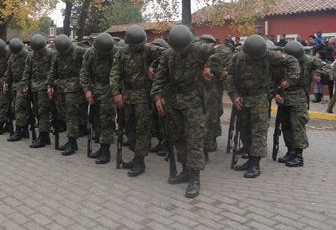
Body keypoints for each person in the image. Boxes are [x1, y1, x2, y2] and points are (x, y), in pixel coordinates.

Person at [151, 25, 231, 198]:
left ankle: (195, 178)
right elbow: (160, 79)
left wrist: (210, 65)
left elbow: (225, 51)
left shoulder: (198, 48)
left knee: (194, 140)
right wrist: (157, 97)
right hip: (175, 104)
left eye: (183, 49)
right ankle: (185, 171)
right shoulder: (168, 55)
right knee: (179, 139)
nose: (180, 53)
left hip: (195, 103)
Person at [226, 34, 300, 178]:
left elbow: (292, 61)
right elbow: (230, 77)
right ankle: (249, 156)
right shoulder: (237, 57)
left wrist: (289, 80)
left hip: (260, 98)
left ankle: (255, 163)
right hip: (242, 98)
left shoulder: (268, 55)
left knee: (258, 131)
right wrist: (234, 96)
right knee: (244, 129)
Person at [110, 25, 161, 177]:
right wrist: (116, 93)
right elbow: (115, 73)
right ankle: (135, 156)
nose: (137, 47)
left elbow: (167, 55)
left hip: (144, 97)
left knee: (142, 129)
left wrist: (153, 66)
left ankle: (140, 161)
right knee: (129, 128)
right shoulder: (122, 52)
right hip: (127, 96)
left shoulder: (149, 49)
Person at [275, 41, 331, 167]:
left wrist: (317, 73)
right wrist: (275, 93)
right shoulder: (282, 60)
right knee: (285, 125)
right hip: (284, 96)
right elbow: (273, 76)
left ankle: (298, 155)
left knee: (297, 125)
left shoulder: (309, 60)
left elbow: (327, 67)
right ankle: (290, 151)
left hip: (299, 97)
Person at [80, 32, 116, 164]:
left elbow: (117, 73)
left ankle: (105, 150)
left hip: (109, 89)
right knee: (96, 120)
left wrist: (115, 91)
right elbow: (84, 73)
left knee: (106, 120)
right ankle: (101, 148)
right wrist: (87, 90)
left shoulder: (114, 52)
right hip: (94, 89)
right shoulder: (90, 53)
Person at [47, 34, 86, 156]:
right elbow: (52, 70)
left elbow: (86, 68)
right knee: (63, 114)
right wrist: (49, 85)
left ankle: (72, 142)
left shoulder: (79, 51)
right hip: (60, 86)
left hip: (74, 86)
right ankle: (71, 141)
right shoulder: (56, 53)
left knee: (71, 115)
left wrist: (85, 86)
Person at [23, 34, 53, 148]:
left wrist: (50, 84)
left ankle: (43, 136)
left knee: (42, 112)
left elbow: (52, 70)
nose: (36, 53)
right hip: (33, 87)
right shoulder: (31, 56)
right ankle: (44, 137)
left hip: (44, 87)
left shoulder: (50, 54)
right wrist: (25, 85)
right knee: (37, 112)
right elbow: (26, 71)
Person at [4, 38, 29, 142]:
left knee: (19, 107)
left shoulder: (26, 55)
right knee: (16, 107)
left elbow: (28, 71)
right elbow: (9, 71)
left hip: (23, 84)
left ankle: (18, 130)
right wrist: (5, 82)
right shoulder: (12, 56)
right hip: (14, 84)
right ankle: (24, 129)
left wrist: (25, 85)